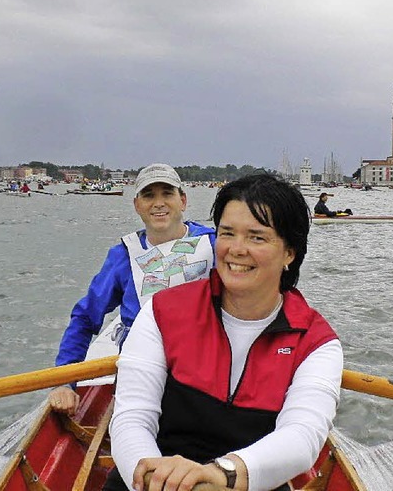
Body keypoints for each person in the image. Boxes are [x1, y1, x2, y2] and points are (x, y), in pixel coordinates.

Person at [107, 173, 343, 491]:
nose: (236, 249)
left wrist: (221, 475)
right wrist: (154, 481)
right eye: (227, 233)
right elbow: (132, 418)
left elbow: (301, 438)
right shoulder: (163, 311)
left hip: (248, 482)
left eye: (257, 237)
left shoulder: (315, 342)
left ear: (290, 252)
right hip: (151, 480)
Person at [49, 163, 216, 415]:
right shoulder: (123, 257)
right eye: (149, 195)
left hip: (204, 370)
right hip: (141, 371)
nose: (158, 203)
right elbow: (85, 317)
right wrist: (65, 381)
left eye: (167, 194)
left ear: (183, 200)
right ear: (137, 205)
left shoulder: (214, 244)